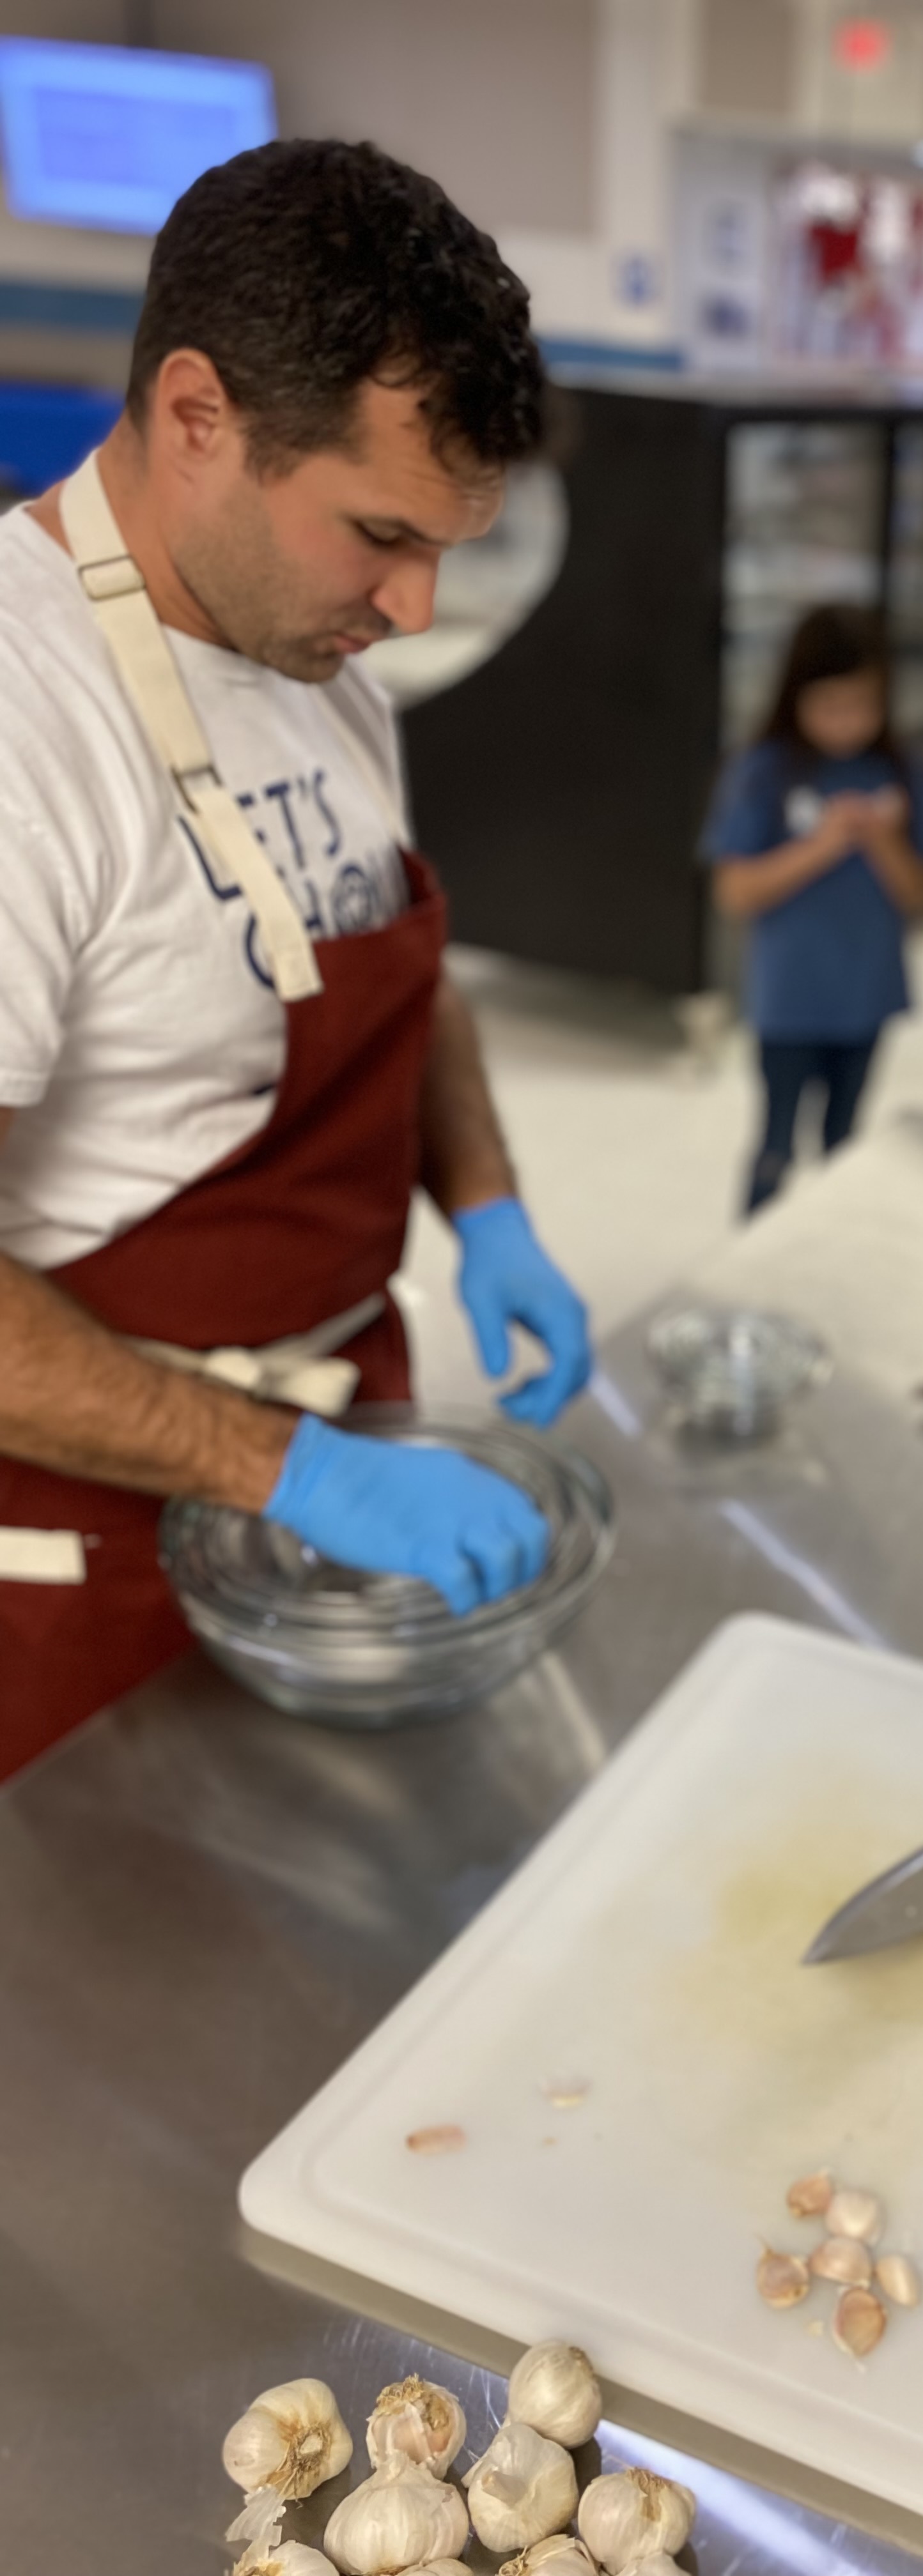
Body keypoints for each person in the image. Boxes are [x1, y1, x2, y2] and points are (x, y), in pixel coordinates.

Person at [0, 140, 593, 1777]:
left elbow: (384, 952)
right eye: (383, 534)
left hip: (326, 1460)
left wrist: (488, 1205)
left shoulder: (323, 668)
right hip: (77, 1564)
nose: (415, 608)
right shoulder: (23, 728)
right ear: (199, 413)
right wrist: (293, 1473)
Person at [706, 604, 923, 1212]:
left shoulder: (899, 771)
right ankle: (752, 1265)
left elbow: (922, 898)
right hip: (788, 1002)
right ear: (796, 697)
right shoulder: (763, 771)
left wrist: (881, 840)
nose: (847, 722)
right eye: (830, 705)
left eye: (862, 705)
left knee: (845, 1143)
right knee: (776, 1143)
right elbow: (736, 893)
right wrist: (827, 842)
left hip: (866, 997)